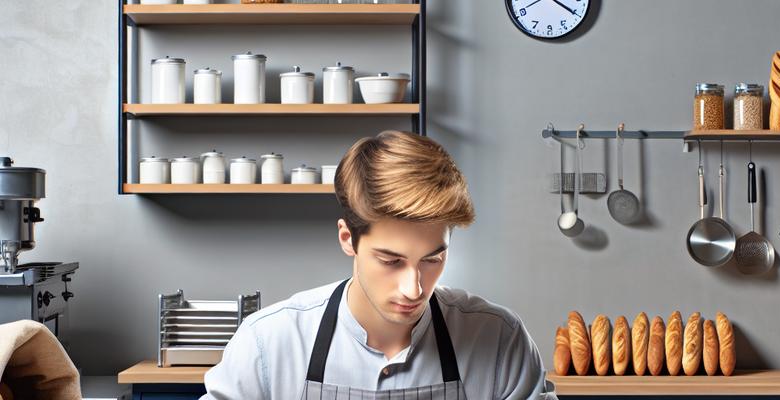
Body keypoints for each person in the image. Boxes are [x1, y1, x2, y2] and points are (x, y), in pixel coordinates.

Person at [202, 130, 554, 399]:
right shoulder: (269, 343)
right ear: (347, 238)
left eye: (433, 259)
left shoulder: (500, 341)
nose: (414, 288)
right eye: (391, 260)